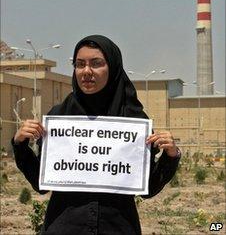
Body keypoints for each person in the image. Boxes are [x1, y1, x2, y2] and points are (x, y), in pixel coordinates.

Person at [12, 35, 181, 235]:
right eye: (80, 64)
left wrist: (171, 155)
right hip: (64, 228)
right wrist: (20, 143)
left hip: (117, 228)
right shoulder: (60, 117)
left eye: (96, 63)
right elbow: (41, 184)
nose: (86, 72)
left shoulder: (133, 120)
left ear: (113, 67)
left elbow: (149, 189)